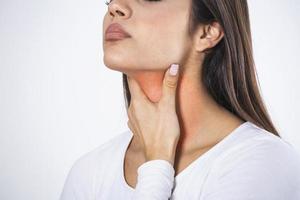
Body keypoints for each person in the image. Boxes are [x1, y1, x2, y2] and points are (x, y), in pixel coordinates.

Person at [60, 0, 300, 199]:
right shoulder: (89, 172)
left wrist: (156, 168)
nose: (115, 7)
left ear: (207, 32)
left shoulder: (264, 164)